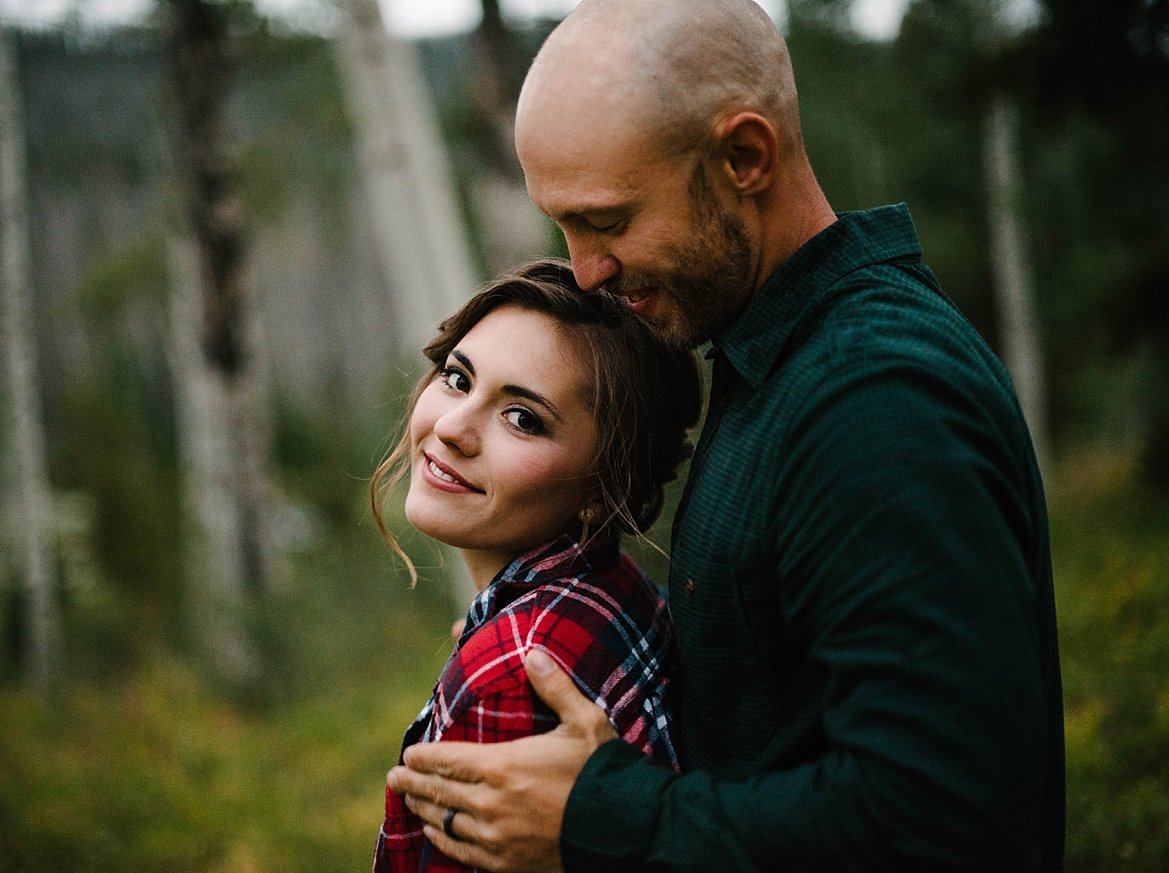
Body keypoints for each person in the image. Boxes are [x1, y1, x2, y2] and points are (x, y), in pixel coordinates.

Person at [386, 1, 1065, 871]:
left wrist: (600, 812)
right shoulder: (771, 352)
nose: (586, 269)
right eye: (564, 225)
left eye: (610, 220)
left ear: (745, 157)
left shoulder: (877, 398)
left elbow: (944, 815)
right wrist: (537, 635)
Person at [370, 260, 703, 872]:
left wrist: (491, 669)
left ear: (606, 487)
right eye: (457, 378)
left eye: (522, 418)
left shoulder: (510, 677)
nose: (451, 428)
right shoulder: (618, 586)